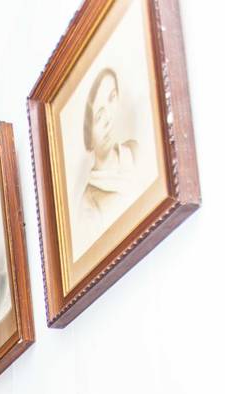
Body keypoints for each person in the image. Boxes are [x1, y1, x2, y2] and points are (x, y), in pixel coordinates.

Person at [73, 67, 139, 259]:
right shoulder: (88, 204)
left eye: (112, 98)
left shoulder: (136, 151)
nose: (108, 119)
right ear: (89, 134)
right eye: (98, 117)